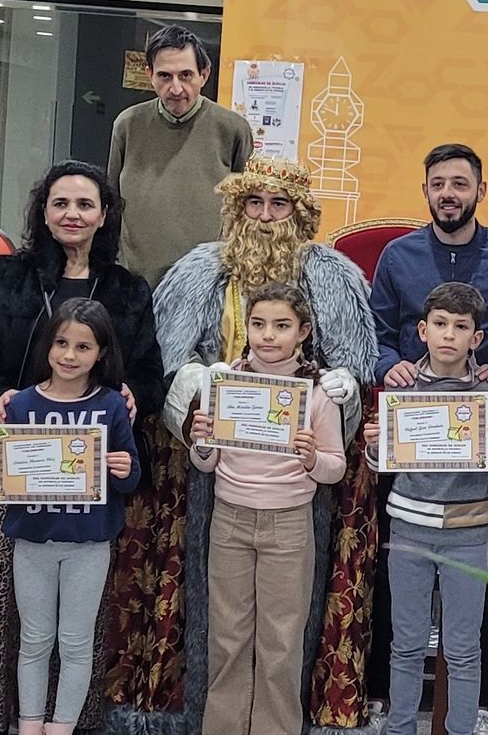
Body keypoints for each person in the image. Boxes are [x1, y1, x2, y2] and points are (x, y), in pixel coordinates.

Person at [123, 156, 372, 732]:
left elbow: (352, 365)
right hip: (222, 471)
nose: (264, 216)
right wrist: (192, 394)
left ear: (298, 213)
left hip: (293, 484)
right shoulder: (199, 270)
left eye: (278, 204)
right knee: (219, 614)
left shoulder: (330, 276)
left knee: (287, 624)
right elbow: (167, 360)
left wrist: (344, 388)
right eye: (253, 204)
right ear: (236, 209)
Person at [0, 159, 161, 735]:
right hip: (18, 468)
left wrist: (136, 395)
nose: (72, 214)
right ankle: (9, 721)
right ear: (43, 211)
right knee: (6, 609)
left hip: (90, 484)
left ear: (104, 215)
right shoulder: (5, 275)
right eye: (61, 203)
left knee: (78, 626)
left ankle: (70, 723)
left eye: (85, 204)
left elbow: (148, 369)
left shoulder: (126, 288)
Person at [188, 282, 347, 735]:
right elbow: (207, 460)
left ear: (302, 332)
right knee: (227, 638)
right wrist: (201, 440)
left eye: (281, 326)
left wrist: (312, 458)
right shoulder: (225, 382)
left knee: (280, 642)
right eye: (258, 325)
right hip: (230, 520)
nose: (268, 336)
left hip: (288, 525)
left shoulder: (315, 393)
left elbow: (334, 467)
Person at [363, 282, 488, 735]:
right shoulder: (403, 388)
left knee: (464, 649)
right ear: (422, 330)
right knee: (406, 644)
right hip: (409, 528)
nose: (449, 334)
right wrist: (375, 447)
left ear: (476, 338)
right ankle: (399, 728)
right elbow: (382, 463)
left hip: (468, 534)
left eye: (461, 326)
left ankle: (461, 729)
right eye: (440, 324)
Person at [0, 298, 141, 735]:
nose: (68, 355)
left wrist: (123, 470)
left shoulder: (112, 406)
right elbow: (8, 476)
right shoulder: (21, 405)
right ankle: (28, 725)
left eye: (83, 347)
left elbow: (131, 475)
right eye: (61, 343)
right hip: (33, 540)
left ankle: (62, 727)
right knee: (34, 641)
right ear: (47, 345)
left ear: (101, 353)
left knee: (76, 643)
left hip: (89, 542)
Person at [372, 143, 488, 394]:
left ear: (481, 191)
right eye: (437, 184)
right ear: (425, 191)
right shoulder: (396, 256)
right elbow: (377, 336)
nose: (447, 193)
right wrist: (387, 365)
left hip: (486, 405)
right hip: (412, 405)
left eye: (459, 184)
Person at [108, 24, 252, 287]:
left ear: (204, 75)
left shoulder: (232, 129)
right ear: (149, 74)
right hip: (136, 284)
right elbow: (111, 204)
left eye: (186, 75)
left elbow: (248, 212)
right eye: (165, 76)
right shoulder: (127, 126)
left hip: (208, 284)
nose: (175, 88)